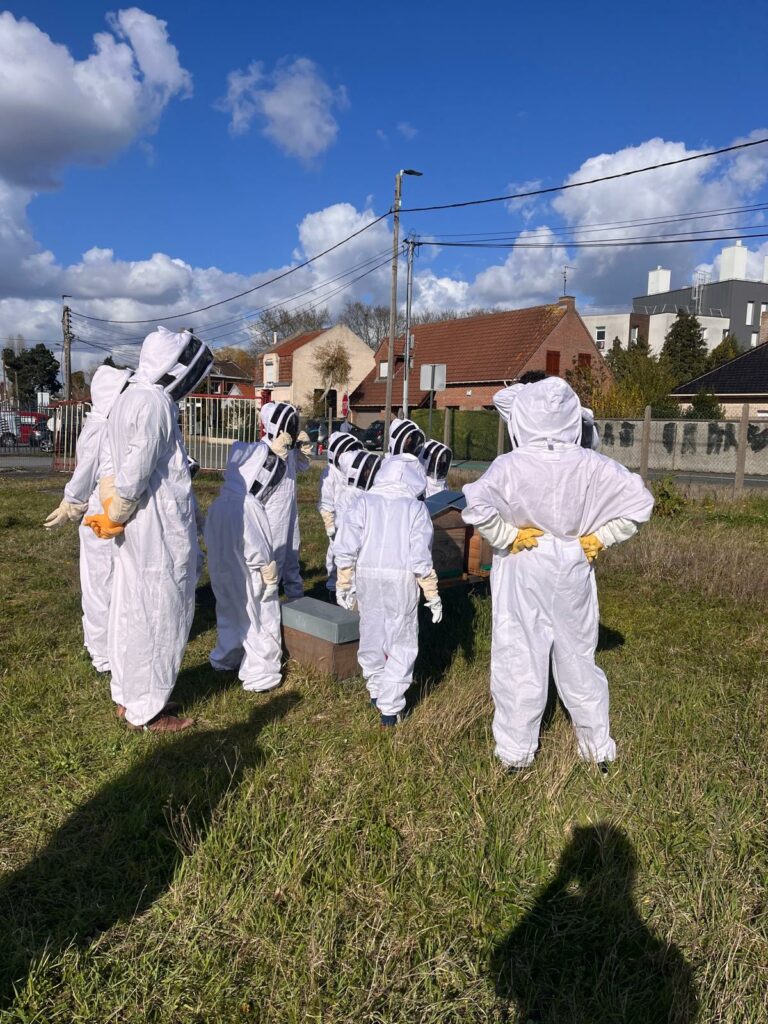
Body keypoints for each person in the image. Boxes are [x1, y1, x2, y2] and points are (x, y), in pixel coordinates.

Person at [462, 377, 653, 772]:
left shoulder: (510, 464)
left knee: (519, 654)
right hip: (572, 560)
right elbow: (640, 503)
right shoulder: (591, 462)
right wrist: (600, 538)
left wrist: (507, 536)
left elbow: (476, 506)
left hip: (523, 561)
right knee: (578, 656)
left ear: (526, 417)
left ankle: (515, 754)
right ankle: (597, 747)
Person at [85, 326, 213, 733]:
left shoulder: (127, 399)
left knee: (131, 608)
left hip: (137, 527)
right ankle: (148, 709)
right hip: (156, 528)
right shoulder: (156, 402)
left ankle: (130, 695)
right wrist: (119, 507)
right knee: (160, 612)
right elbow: (137, 468)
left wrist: (113, 508)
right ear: (176, 366)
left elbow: (109, 461)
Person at [333, 453, 442, 727]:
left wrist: (344, 579)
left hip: (367, 575)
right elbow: (420, 556)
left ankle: (376, 689)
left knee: (371, 631)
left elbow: (346, 543)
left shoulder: (363, 501)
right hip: (401, 578)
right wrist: (432, 592)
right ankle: (391, 708)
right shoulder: (415, 509)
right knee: (401, 639)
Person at [43, 364, 132, 673]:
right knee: (99, 584)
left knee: (119, 580)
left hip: (119, 510)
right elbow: (85, 471)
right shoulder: (98, 427)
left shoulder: (119, 423)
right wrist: (71, 502)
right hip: (98, 514)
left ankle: (117, 643)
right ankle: (101, 651)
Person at [205, 441, 284, 692]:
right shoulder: (248, 505)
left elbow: (209, 536)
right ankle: (261, 675)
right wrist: (269, 577)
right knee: (260, 620)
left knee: (229, 615)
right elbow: (257, 546)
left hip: (222, 573)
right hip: (250, 575)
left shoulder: (218, 503)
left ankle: (226, 658)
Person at [259, 402, 312, 600]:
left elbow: (303, 466)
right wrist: (274, 454)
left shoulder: (287, 449)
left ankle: (296, 603)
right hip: (271, 514)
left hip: (290, 511)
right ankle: (266, 606)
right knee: (274, 560)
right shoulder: (262, 448)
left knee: (292, 558)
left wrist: (303, 449)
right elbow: (258, 483)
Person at [318, 430, 364, 593]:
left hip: (352, 520)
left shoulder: (352, 471)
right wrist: (330, 524)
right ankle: (332, 586)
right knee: (336, 553)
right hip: (337, 523)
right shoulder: (329, 474)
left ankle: (352, 586)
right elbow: (326, 501)